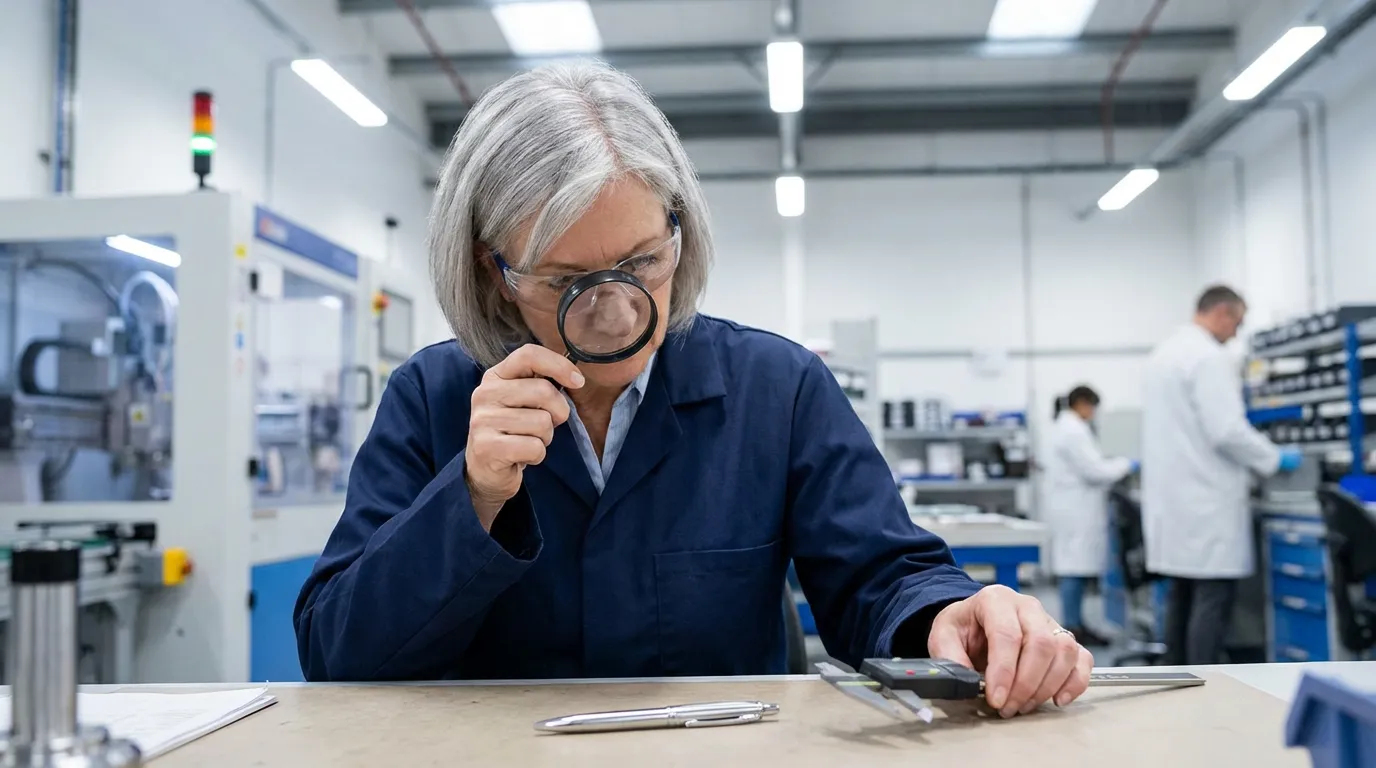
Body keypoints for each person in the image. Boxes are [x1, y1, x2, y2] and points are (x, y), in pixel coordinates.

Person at [294, 62, 1092, 717]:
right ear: (493, 273)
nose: (615, 314)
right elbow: (338, 656)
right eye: (568, 281)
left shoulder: (776, 390)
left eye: (643, 262)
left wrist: (949, 618)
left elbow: (880, 578)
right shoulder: (433, 398)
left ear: (681, 229)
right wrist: (469, 497)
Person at [1141, 285, 1303, 665]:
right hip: (1206, 499)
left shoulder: (1164, 355)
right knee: (1212, 596)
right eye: (1238, 323)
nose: (1236, 334)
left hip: (1177, 500)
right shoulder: (1208, 357)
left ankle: (1177, 673)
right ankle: (1207, 682)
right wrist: (1275, 458)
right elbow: (1227, 429)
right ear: (1222, 314)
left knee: (1182, 592)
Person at [1043, 386, 1136, 646]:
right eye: (1092, 408)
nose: (1093, 414)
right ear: (1082, 404)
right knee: (1074, 568)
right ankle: (1073, 627)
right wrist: (1127, 464)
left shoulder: (1066, 428)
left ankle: (1076, 624)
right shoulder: (1073, 430)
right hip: (1076, 510)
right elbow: (1095, 470)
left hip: (1073, 507)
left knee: (1075, 566)